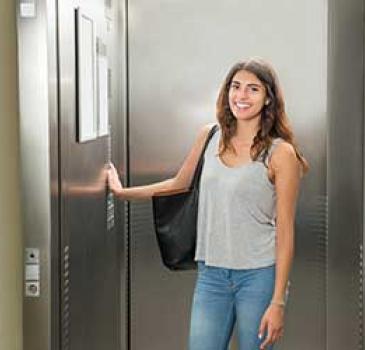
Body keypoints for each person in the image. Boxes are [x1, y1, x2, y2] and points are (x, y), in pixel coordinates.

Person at [108, 58, 309, 350]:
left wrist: (278, 301)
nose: (241, 96)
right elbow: (179, 183)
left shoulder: (281, 154)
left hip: (258, 276)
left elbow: (286, 231)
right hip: (212, 274)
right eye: (236, 87)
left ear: (268, 98)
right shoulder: (210, 136)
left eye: (253, 89)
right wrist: (122, 192)